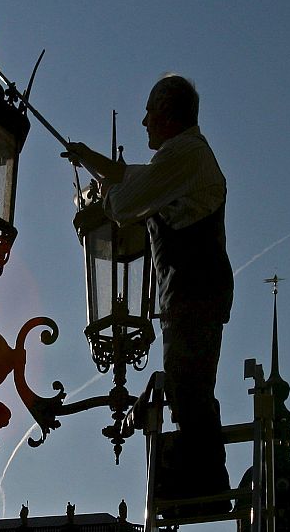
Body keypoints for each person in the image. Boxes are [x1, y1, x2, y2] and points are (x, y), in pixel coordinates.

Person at [64, 74, 233, 505]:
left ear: (169, 115)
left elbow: (124, 204)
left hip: (193, 293)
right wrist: (90, 159)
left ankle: (208, 484)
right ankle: (204, 477)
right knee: (187, 385)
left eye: (149, 112)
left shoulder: (186, 155)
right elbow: (132, 174)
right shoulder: (183, 157)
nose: (143, 121)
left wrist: (101, 197)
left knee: (189, 389)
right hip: (189, 293)